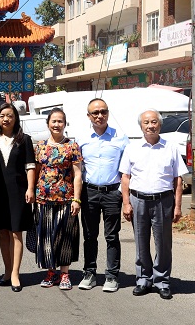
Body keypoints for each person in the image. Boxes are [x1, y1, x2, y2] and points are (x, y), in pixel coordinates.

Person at [119, 109, 186, 300]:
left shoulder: (170, 147)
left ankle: (162, 281)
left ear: (160, 125)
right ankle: (143, 279)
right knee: (141, 242)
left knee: (163, 244)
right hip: (138, 200)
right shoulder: (132, 148)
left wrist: (178, 206)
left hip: (163, 201)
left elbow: (178, 179)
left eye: (154, 122)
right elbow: (125, 177)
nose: (150, 126)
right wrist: (126, 203)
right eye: (146, 122)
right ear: (141, 126)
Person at [76, 98, 129, 292]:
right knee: (89, 235)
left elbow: (127, 170)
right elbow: (77, 169)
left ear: (108, 113)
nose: (100, 116)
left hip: (112, 193)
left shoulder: (120, 137)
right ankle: (89, 273)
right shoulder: (81, 138)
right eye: (95, 112)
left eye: (103, 111)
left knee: (112, 236)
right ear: (88, 116)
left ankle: (112, 276)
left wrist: (124, 196)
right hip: (89, 192)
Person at [33, 108, 82, 290]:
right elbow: (37, 171)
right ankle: (51, 272)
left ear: (65, 124)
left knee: (65, 236)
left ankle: (64, 274)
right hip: (43, 199)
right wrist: (32, 191)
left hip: (66, 199)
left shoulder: (72, 146)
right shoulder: (40, 146)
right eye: (53, 121)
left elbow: (78, 175)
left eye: (60, 121)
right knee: (46, 236)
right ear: (48, 124)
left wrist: (77, 199)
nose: (57, 124)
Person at [0, 103, 36, 293]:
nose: (6, 119)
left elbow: (30, 166)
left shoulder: (24, 139)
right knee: (3, 232)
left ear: (16, 118)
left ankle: (16, 273)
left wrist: (30, 188)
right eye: (2, 116)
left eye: (9, 115)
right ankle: (7, 271)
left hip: (18, 191)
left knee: (16, 232)